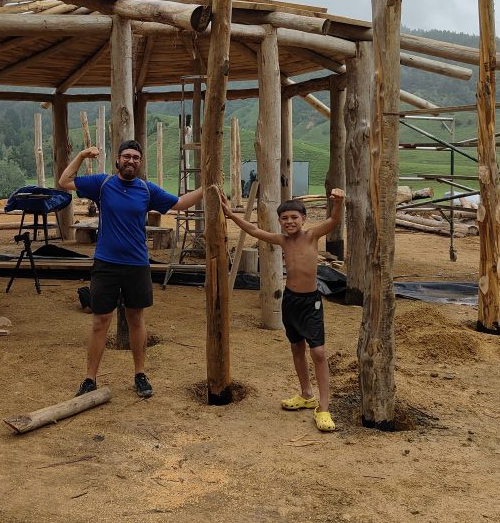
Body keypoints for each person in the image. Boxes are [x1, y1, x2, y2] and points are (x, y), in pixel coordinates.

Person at [59, 140, 204, 398]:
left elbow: (180, 203)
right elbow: (65, 181)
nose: (131, 161)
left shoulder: (147, 190)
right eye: (126, 156)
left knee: (136, 319)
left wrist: (207, 187)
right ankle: (90, 379)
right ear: (117, 160)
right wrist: (82, 155)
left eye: (136, 158)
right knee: (100, 321)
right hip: (106, 263)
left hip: (137, 264)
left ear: (140, 163)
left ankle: (140, 375)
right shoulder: (102, 184)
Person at [219, 188, 344, 432]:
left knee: (318, 352)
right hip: (290, 300)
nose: (289, 222)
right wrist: (231, 215)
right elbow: (255, 230)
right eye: (284, 218)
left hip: (310, 302)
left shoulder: (312, 235)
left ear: (304, 219)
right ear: (279, 221)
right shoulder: (282, 240)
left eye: (294, 217)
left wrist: (338, 202)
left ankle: (324, 408)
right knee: (296, 347)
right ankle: (306, 394)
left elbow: (333, 220)